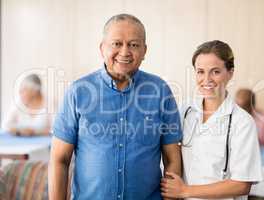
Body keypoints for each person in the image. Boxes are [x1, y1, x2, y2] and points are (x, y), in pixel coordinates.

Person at [49, 14, 182, 200]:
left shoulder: (161, 91)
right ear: (102, 48)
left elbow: (172, 159)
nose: (125, 51)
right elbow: (59, 160)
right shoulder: (78, 92)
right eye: (117, 43)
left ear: (144, 50)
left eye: (134, 44)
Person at [161, 40, 262, 200]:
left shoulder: (242, 122)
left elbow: (242, 184)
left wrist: (185, 191)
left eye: (215, 72)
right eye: (200, 71)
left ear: (230, 73)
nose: (206, 79)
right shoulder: (185, 110)